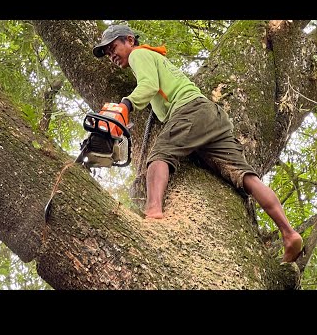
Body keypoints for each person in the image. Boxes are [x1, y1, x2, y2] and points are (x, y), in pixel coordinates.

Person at [92, 24, 303, 263]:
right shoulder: (154, 58)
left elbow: (148, 85)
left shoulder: (139, 54)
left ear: (130, 40)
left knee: (159, 155)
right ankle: (289, 233)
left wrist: (126, 105)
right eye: (107, 53)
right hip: (212, 117)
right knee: (246, 177)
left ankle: (152, 214)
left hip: (190, 110)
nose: (111, 55)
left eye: (113, 47)